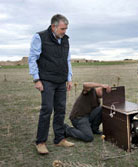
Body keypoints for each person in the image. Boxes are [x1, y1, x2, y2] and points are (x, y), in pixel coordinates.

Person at [28, 14, 74, 154]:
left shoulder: (65, 40)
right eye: (62, 29)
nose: (64, 31)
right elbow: (32, 58)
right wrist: (37, 79)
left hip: (61, 81)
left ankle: (59, 139)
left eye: (66, 29)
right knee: (47, 110)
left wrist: (69, 78)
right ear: (53, 27)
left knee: (60, 110)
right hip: (46, 80)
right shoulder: (39, 37)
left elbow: (67, 60)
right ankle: (41, 142)